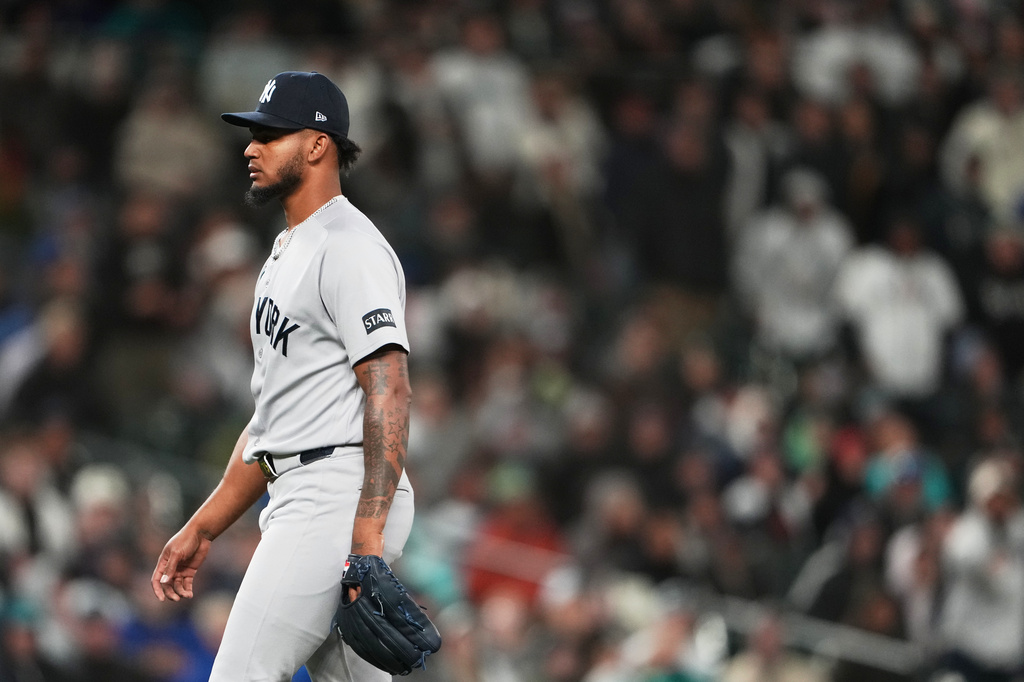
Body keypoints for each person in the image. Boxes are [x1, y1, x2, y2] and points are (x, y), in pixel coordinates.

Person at [149, 71, 416, 682]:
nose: (251, 147)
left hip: (337, 494)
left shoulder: (351, 247)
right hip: (302, 485)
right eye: (252, 135)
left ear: (318, 144)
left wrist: (366, 538)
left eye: (269, 134)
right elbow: (271, 422)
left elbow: (390, 389)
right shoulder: (285, 249)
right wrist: (204, 524)